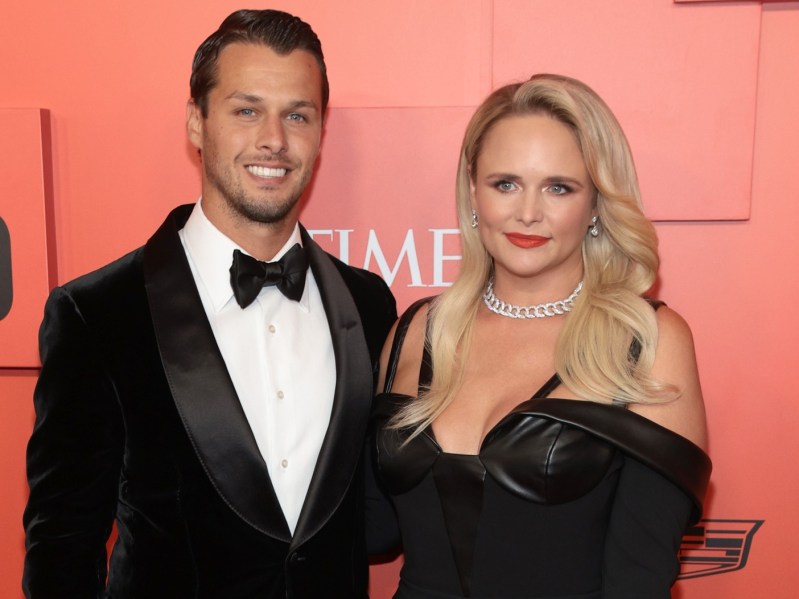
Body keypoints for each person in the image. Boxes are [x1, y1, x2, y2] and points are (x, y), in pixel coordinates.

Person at [23, 9, 396, 599]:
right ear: (196, 122)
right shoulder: (97, 313)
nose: (274, 139)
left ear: (321, 131)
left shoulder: (369, 303)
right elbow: (63, 545)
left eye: (297, 114)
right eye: (246, 110)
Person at [369, 74, 711, 598]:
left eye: (559, 187)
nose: (527, 212)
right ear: (473, 190)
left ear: (596, 202)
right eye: (505, 183)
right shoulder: (416, 330)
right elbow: (372, 528)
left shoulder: (645, 341)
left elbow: (639, 579)